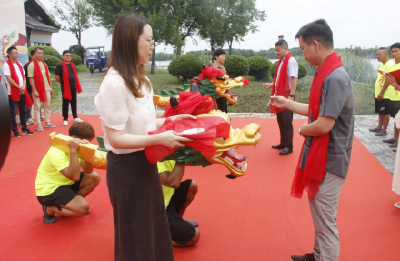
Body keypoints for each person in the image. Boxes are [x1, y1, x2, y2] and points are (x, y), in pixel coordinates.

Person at [94, 13, 195, 261]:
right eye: (148, 40)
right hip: (127, 170)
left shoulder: (142, 81)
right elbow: (117, 138)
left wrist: (173, 121)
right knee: (135, 239)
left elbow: (145, 125)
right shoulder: (114, 84)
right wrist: (160, 139)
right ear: (130, 40)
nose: (152, 46)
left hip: (146, 165)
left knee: (154, 232)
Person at [270, 19, 354, 261]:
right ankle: (317, 255)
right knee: (318, 211)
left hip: (330, 159)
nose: (303, 54)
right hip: (322, 156)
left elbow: (323, 124)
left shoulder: (335, 78)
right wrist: (286, 102)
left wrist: (302, 130)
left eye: (304, 48)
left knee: (325, 220)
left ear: (315, 45)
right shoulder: (326, 72)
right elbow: (316, 108)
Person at [35, 122, 101, 224]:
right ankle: (50, 209)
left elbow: (88, 171)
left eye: (88, 142)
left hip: (66, 184)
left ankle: (73, 203)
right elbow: (74, 177)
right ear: (73, 138)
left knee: (94, 177)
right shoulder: (56, 151)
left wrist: (88, 152)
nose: (85, 143)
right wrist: (73, 151)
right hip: (48, 190)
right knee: (83, 209)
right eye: (84, 141)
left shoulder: (80, 147)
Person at [264, 40, 298, 155]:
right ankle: (283, 143)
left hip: (287, 94)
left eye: (278, 50)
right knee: (281, 120)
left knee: (287, 121)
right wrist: (272, 85)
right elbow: (280, 78)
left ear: (285, 49)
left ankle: (289, 146)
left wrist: (291, 96)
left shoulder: (291, 60)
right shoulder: (281, 61)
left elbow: (294, 78)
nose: (276, 52)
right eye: (275, 50)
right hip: (279, 93)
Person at [157, 160, 200, 247]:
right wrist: (180, 156)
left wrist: (217, 157)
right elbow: (173, 183)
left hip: (167, 200)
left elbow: (190, 161)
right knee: (195, 236)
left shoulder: (167, 154)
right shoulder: (157, 162)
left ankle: (179, 219)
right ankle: (156, 240)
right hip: (157, 210)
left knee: (192, 185)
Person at [3, 47, 34, 138]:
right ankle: (15, 130)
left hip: (22, 91)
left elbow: (23, 77)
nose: (16, 55)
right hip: (12, 92)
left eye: (17, 53)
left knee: (24, 111)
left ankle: (24, 128)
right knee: (13, 112)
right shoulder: (6, 65)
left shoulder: (19, 64)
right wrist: (18, 87)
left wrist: (23, 86)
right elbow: (9, 79)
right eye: (14, 53)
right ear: (9, 54)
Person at [28, 47, 55, 131]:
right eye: (38, 53)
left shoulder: (44, 63)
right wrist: (35, 90)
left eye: (41, 53)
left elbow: (47, 77)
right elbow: (30, 78)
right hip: (37, 89)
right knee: (37, 106)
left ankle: (47, 122)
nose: (40, 54)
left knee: (47, 106)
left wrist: (50, 87)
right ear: (34, 54)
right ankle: (38, 123)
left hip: (46, 88)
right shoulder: (31, 65)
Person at [369, 48, 394, 136]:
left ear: (386, 54)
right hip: (379, 92)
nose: (377, 56)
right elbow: (380, 79)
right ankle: (379, 127)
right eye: (376, 54)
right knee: (380, 111)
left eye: (379, 54)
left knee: (385, 111)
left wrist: (382, 92)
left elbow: (388, 80)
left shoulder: (390, 65)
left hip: (386, 94)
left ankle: (384, 130)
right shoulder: (382, 65)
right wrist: (377, 91)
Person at [55, 50, 84, 126]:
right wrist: (63, 83)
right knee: (65, 103)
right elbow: (57, 77)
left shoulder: (72, 65)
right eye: (67, 55)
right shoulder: (60, 66)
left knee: (74, 102)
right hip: (65, 87)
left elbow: (75, 75)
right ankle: (65, 119)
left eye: (70, 55)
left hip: (73, 86)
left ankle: (75, 117)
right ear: (63, 56)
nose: (69, 57)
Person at [382, 43, 400, 152]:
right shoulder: (393, 65)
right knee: (395, 118)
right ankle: (395, 138)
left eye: (396, 51)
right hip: (393, 96)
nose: (394, 54)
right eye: (392, 51)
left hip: (399, 96)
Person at [212, 48, 228, 113]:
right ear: (216, 56)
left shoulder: (223, 68)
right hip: (214, 93)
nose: (224, 58)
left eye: (225, 56)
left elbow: (226, 79)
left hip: (223, 92)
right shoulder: (212, 67)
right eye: (222, 56)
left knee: (223, 111)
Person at [24, 51, 35, 126]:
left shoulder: (41, 64)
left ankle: (40, 115)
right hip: (30, 86)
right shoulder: (27, 65)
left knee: (38, 102)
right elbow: (27, 77)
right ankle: (29, 117)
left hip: (38, 86)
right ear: (31, 56)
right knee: (29, 102)